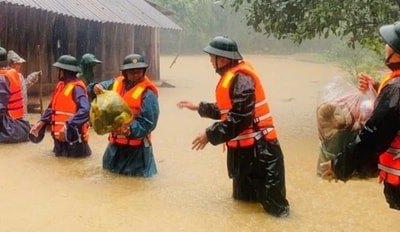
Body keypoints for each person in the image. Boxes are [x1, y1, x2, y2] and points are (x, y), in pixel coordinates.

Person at [320, 19, 400, 232]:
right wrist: (375, 86)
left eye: (389, 43)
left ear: (399, 52)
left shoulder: (399, 89)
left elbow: (372, 136)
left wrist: (340, 166)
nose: (385, 46)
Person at [177, 36, 290, 218]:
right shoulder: (232, 78)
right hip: (243, 154)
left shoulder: (242, 80)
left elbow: (240, 118)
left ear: (222, 59)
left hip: (262, 153)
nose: (210, 61)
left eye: (212, 57)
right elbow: (227, 110)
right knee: (243, 206)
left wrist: (209, 134)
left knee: (275, 211)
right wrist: (199, 107)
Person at [88, 53, 159, 177]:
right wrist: (95, 87)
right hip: (115, 147)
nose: (135, 75)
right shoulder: (116, 83)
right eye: (131, 72)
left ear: (143, 71)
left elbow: (149, 122)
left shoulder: (148, 93)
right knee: (109, 177)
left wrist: (129, 130)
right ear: (125, 73)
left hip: (137, 151)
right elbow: (95, 88)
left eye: (138, 71)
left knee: (137, 184)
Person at [29, 55, 91, 158]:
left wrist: (68, 126)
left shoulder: (77, 88)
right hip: (59, 141)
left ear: (64, 72)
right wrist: (42, 121)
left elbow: (85, 110)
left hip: (74, 142)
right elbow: (52, 108)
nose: (57, 72)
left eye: (59, 70)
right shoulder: (61, 86)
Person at [0, 46, 30, 143]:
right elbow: (8, 99)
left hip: (8, 127)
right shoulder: (14, 73)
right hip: (20, 124)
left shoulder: (1, 78)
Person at [7, 50, 41, 120]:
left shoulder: (19, 76)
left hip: (21, 112)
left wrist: (35, 75)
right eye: (18, 64)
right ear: (11, 64)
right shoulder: (6, 77)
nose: (20, 66)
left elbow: (24, 85)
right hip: (11, 114)